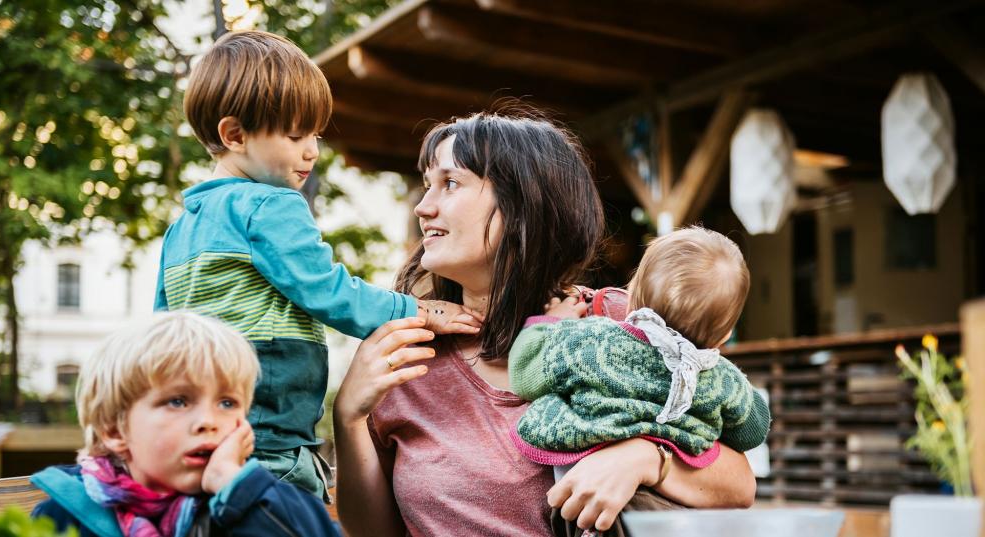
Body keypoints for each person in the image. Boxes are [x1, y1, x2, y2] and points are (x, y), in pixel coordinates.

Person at [333, 111, 758, 537]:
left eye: (450, 183)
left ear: (523, 203)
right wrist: (349, 418)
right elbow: (374, 532)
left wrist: (646, 459)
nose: (424, 208)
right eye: (427, 185)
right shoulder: (408, 353)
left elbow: (739, 483)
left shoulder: (624, 324)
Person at [155, 30, 480, 499]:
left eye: (315, 134)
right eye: (295, 135)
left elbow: (160, 332)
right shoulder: (271, 205)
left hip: (201, 430)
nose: (312, 150)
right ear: (235, 135)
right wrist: (416, 311)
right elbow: (327, 289)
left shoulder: (183, 225)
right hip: (267, 436)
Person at [508, 227, 771, 534]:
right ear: (726, 333)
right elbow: (752, 429)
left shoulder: (590, 342)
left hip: (587, 507)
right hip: (673, 510)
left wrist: (551, 322)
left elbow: (525, 370)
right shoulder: (720, 378)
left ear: (630, 297)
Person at [31, 311, 341, 537]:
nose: (208, 422)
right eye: (178, 401)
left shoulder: (243, 504)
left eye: (227, 403)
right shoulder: (65, 515)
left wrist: (236, 484)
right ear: (115, 430)